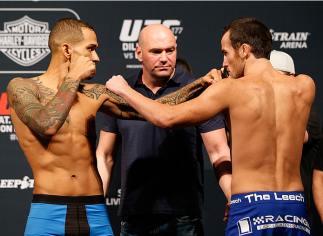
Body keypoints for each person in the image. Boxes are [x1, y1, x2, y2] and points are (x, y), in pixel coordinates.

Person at [105, 17, 316, 235]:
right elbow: (260, 134)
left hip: (251, 205)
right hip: (294, 206)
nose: (224, 62)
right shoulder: (304, 86)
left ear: (244, 50)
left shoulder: (230, 89)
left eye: (226, 53)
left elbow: (166, 118)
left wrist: (125, 90)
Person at [6, 18, 211, 236]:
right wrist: (73, 76)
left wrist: (201, 84)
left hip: (95, 212)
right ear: (67, 50)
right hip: (48, 211)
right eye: (90, 49)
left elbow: (158, 108)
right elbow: (46, 125)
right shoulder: (22, 87)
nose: (96, 57)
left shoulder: (94, 93)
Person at [96, 24, 232, 236]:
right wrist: (95, 205)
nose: (165, 58)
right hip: (133, 216)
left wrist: (233, 196)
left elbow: (219, 152)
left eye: (170, 50)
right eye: (156, 52)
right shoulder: (120, 93)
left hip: (182, 217)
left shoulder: (198, 91)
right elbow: (104, 156)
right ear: (139, 53)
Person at [270, 50, 323, 218]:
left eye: (274, 78)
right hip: (256, 207)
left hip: (293, 211)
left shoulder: (309, 114)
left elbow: (287, 141)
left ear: (292, 77)